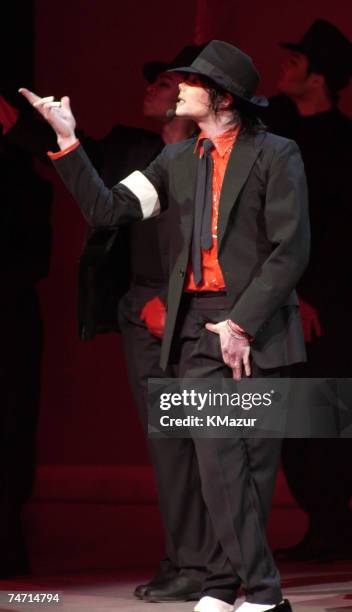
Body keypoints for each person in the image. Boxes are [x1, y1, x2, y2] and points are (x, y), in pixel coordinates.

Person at [21, 40, 310, 611]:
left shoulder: (278, 154)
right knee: (217, 461)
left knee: (247, 465)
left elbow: (290, 248)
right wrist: (66, 139)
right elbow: (108, 210)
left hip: (256, 322)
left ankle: (236, 588)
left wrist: (243, 324)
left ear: (222, 98)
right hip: (199, 330)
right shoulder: (176, 162)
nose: (178, 88)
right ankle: (255, 593)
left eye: (191, 82)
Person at [5, 45, 214, 600]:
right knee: (168, 443)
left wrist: (179, 304)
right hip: (141, 308)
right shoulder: (140, 152)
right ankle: (185, 558)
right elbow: (91, 176)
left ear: (195, 97)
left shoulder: (215, 160)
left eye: (165, 81)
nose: (150, 87)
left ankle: (205, 564)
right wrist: (29, 127)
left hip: (187, 311)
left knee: (202, 441)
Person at [262, 19, 352, 563]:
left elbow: (346, 231)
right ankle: (328, 526)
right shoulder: (282, 132)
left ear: (318, 78)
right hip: (297, 297)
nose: (284, 69)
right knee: (294, 421)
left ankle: (334, 529)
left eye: (296, 63)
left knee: (325, 418)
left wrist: (309, 296)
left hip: (339, 302)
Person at [0, 131, 52, 578]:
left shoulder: (25, 184)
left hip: (10, 317)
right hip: (15, 313)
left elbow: (36, 259)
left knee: (12, 426)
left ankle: (8, 540)